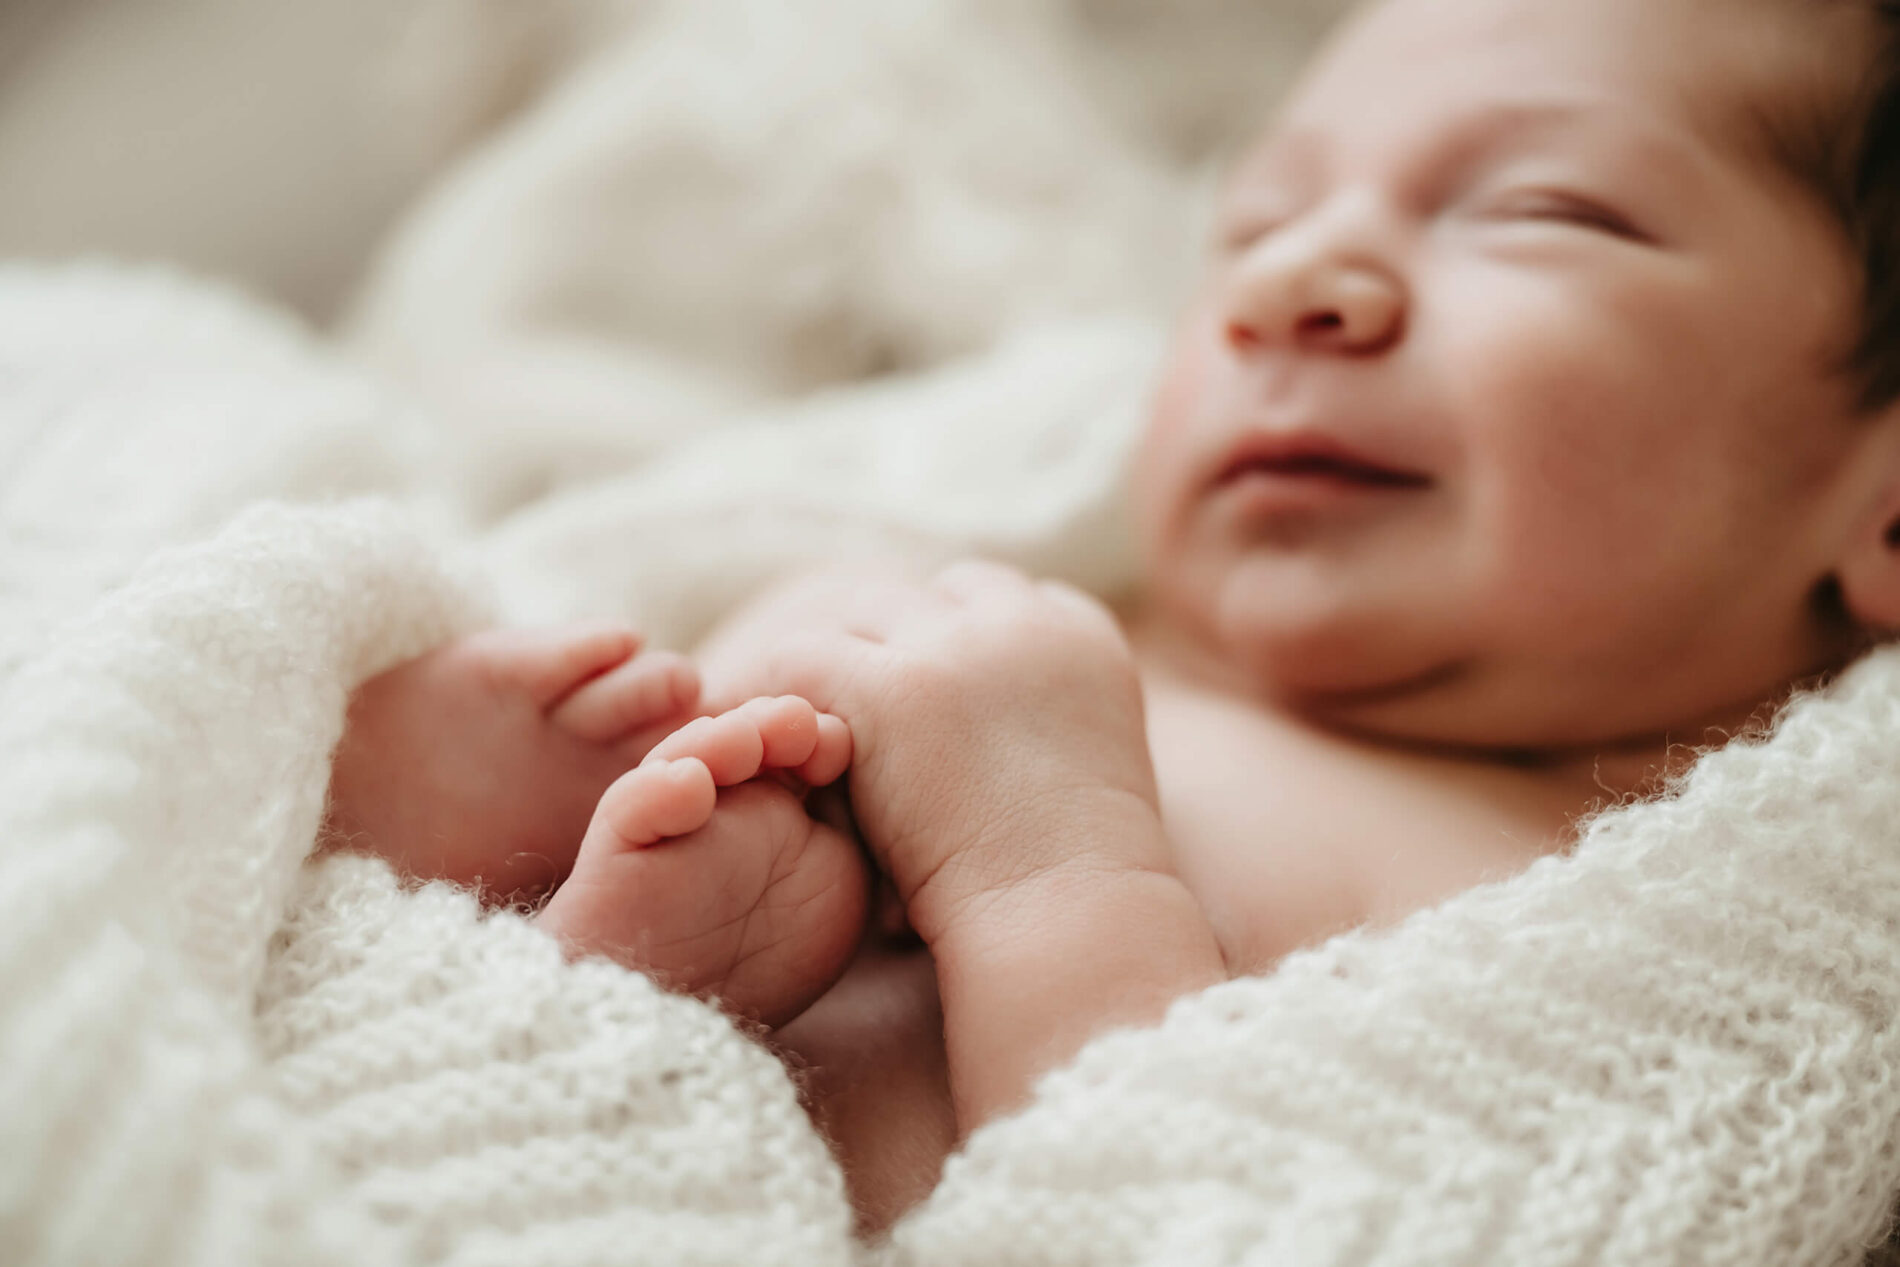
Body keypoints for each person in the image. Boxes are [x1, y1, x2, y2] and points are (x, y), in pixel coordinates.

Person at [322, 0, 1900, 1231]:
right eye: (1248, 226)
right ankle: (491, 861)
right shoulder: (1070, 595)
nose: (1301, 280)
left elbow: (1207, 1220)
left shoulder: (1627, 952)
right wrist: (703, 698)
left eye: (1544, 209)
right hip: (399, 1065)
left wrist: (1045, 860)